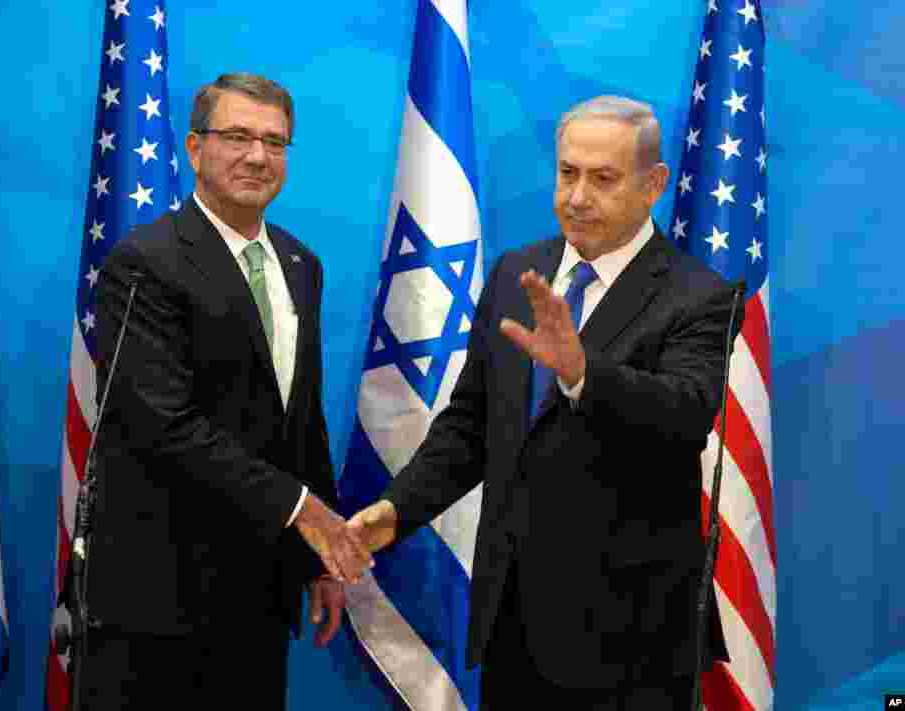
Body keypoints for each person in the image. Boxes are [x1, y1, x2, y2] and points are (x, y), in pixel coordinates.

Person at [349, 96, 738, 709]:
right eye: (567, 173)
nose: (578, 196)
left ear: (654, 185)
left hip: (630, 637)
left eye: (603, 179)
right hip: (513, 620)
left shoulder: (699, 295)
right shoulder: (516, 272)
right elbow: (471, 425)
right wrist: (395, 511)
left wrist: (584, 373)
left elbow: (684, 412)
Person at [80, 72, 371, 710]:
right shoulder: (145, 262)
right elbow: (165, 425)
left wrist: (317, 559)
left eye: (275, 141)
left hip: (259, 594)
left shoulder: (301, 264)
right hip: (159, 599)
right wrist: (305, 512)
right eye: (237, 136)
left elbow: (302, 422)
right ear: (193, 147)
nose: (257, 156)